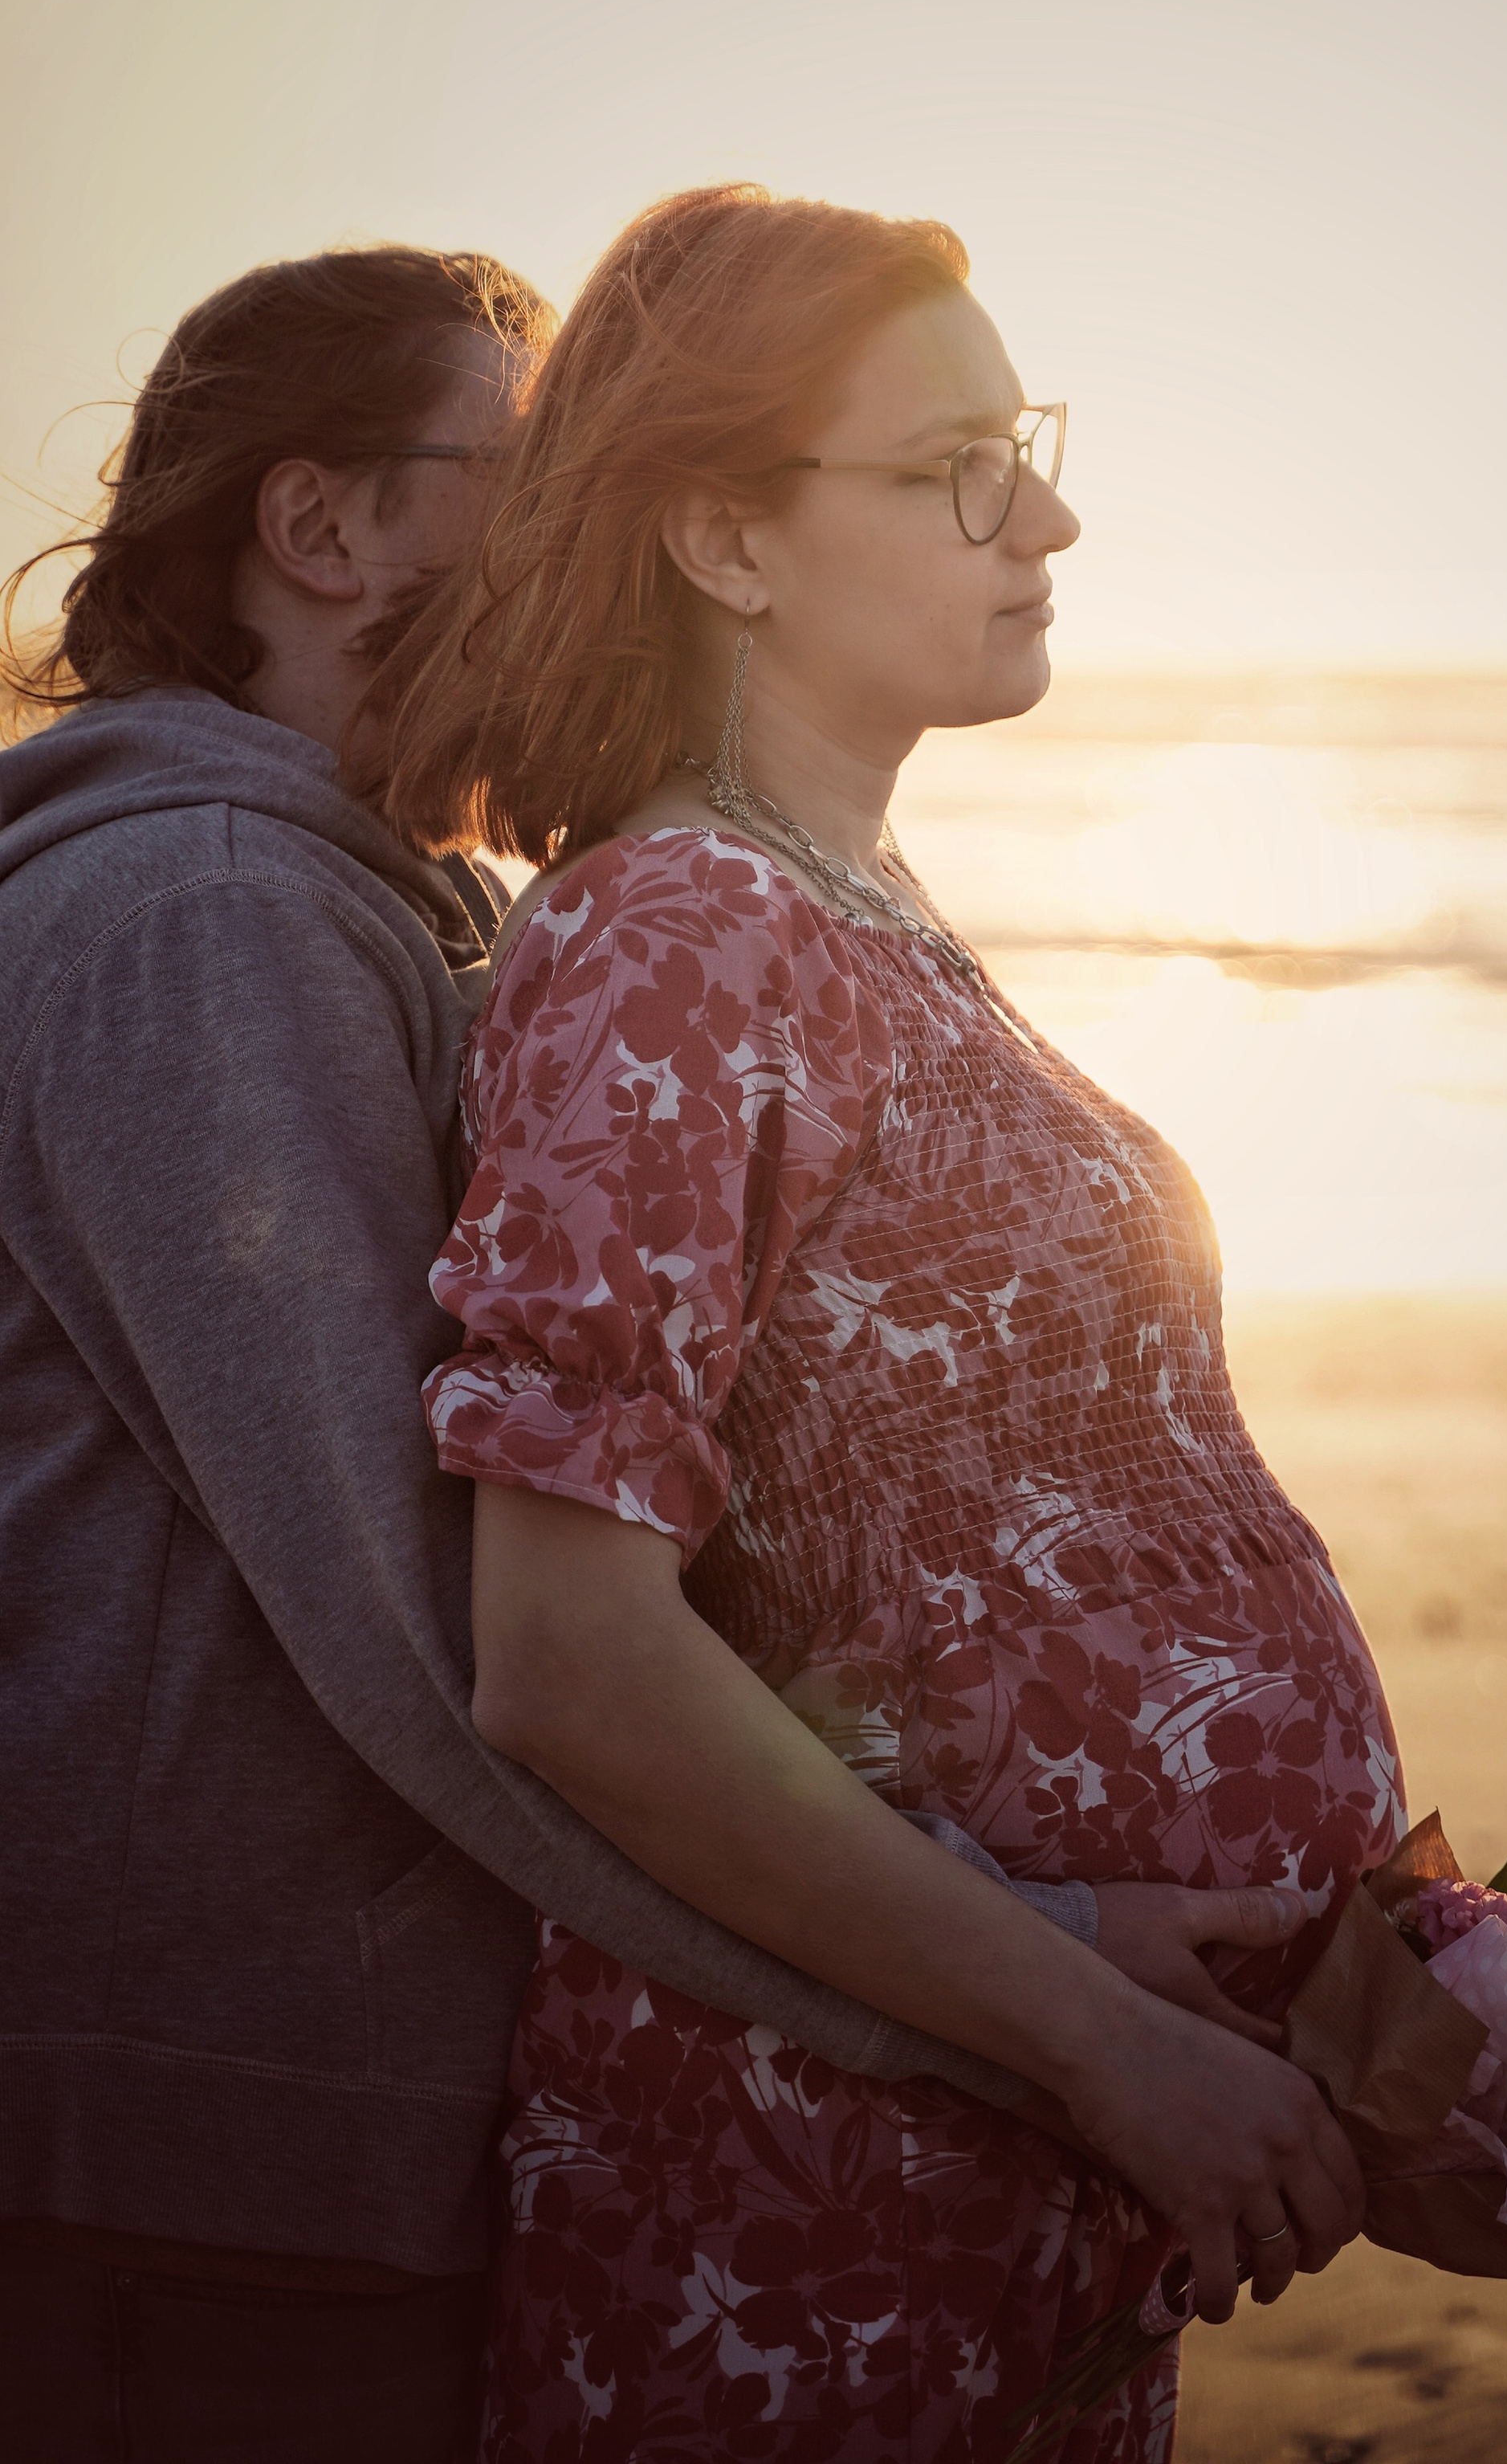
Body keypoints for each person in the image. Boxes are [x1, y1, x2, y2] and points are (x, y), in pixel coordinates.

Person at [0, 242, 1265, 2464]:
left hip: (316, 2129)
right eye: (527, 466)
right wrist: (1010, 2005)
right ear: (321, 531)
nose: (583, 519)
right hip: (213, 2177)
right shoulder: (204, 916)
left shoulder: (378, 906)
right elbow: (440, 1632)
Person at [371, 183, 1408, 2462]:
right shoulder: (677, 942)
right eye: (955, 465)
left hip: (1003, 2141)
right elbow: (569, 1655)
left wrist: (1106, 1970)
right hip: (808, 2206)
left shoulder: (844, 906)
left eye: (1020, 437)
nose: (1047, 508)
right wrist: (1081, 2027)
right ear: (728, 543)